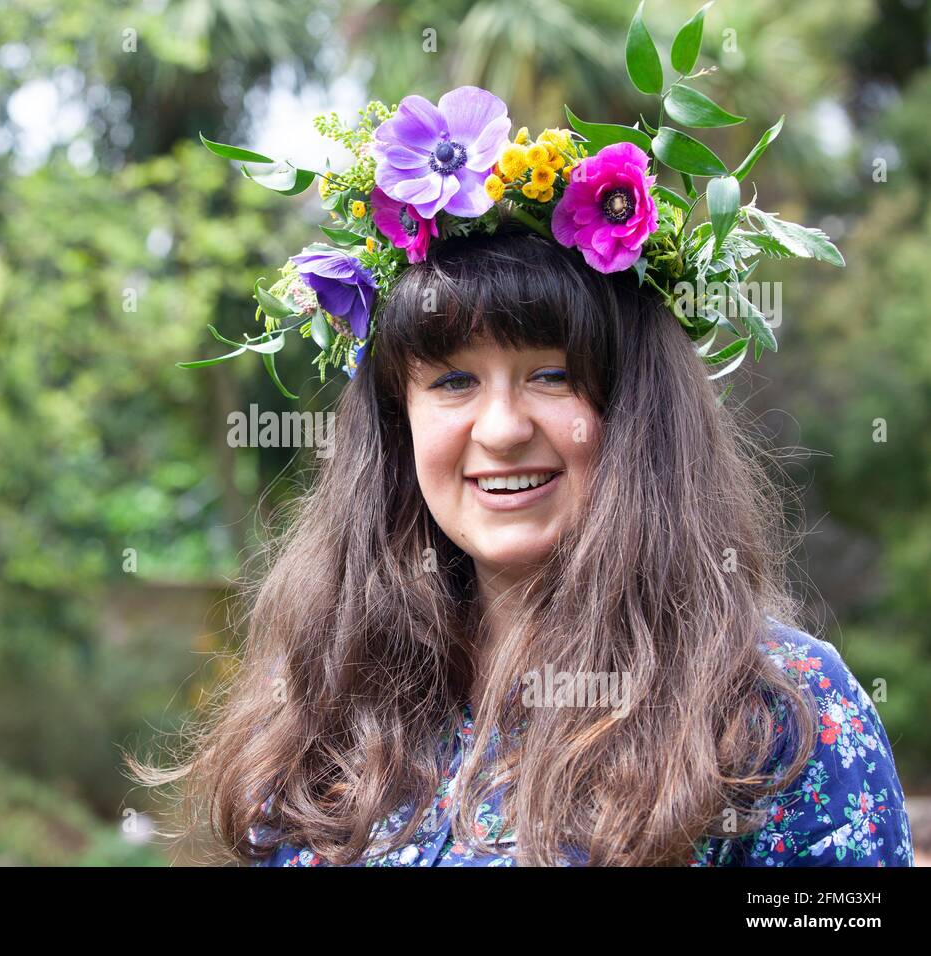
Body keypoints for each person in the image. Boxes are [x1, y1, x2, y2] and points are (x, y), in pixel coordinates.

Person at [129, 226, 913, 867]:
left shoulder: (780, 708)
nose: (502, 430)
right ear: (396, 425)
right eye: (452, 381)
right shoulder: (318, 692)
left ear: (639, 412)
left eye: (551, 374)